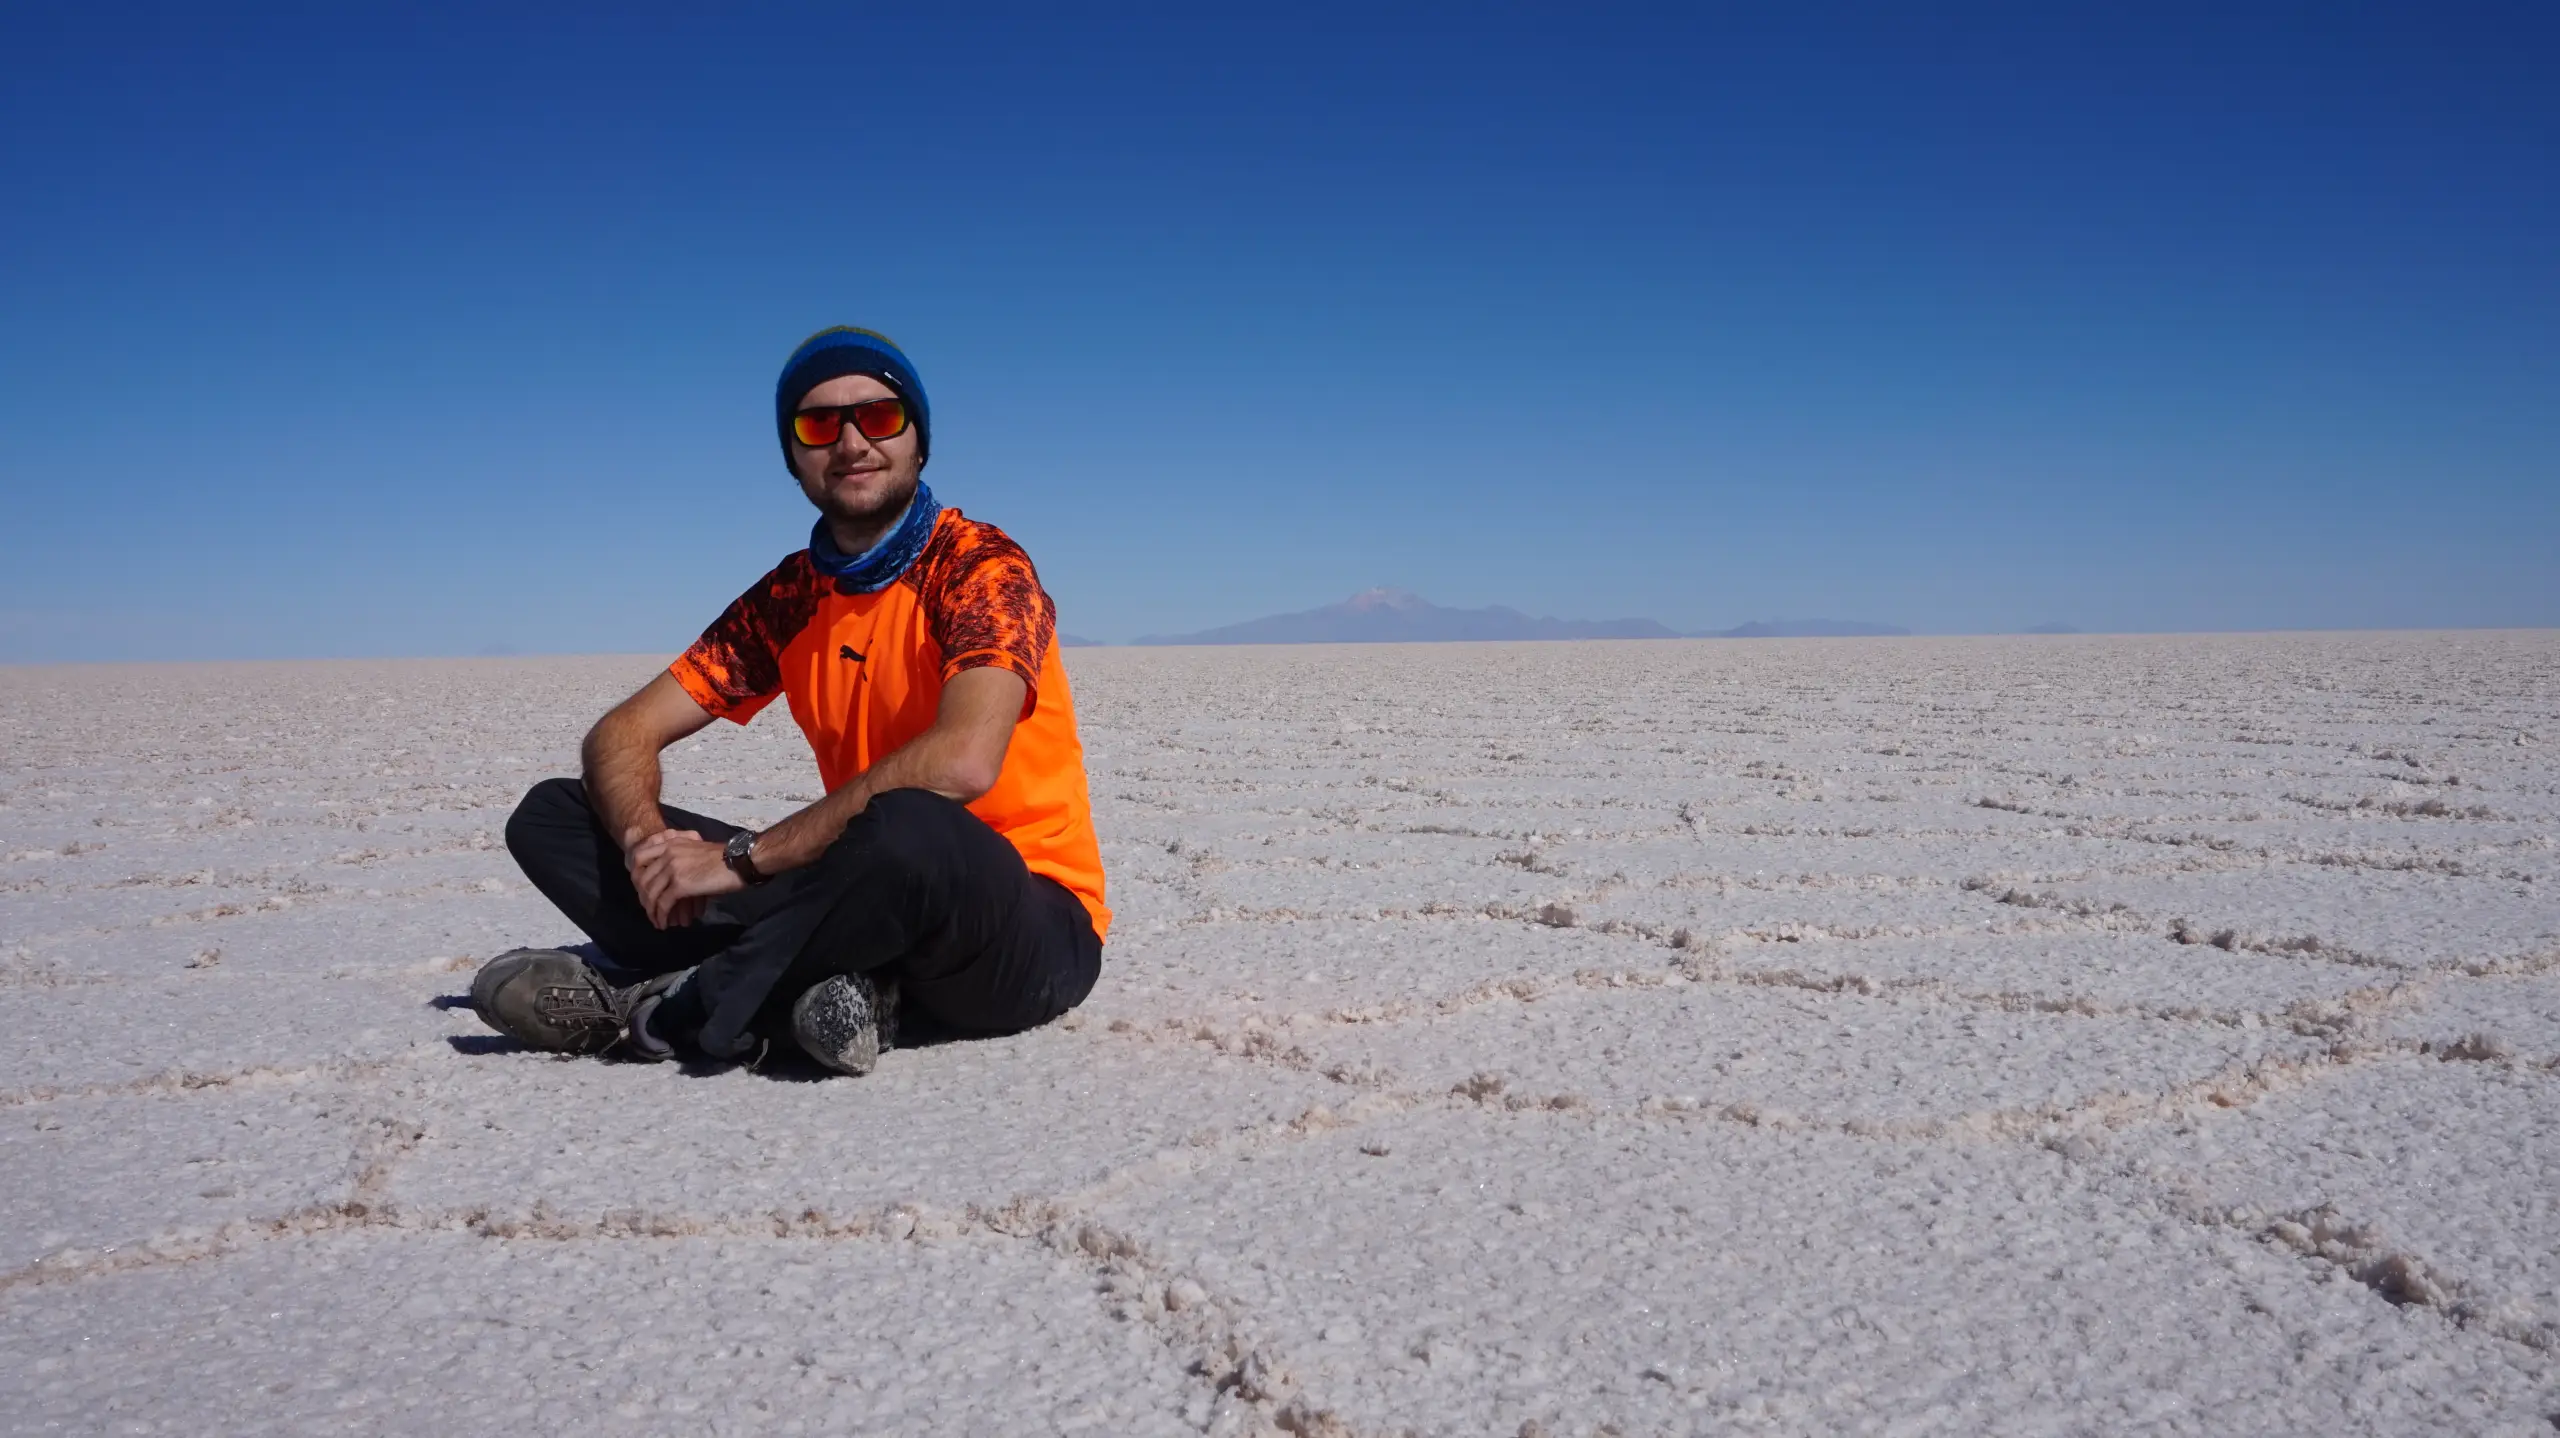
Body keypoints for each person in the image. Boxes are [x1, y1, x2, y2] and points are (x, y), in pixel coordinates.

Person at [471, 328, 1109, 1074]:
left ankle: (667, 1011)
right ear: (793, 458)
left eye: (878, 417)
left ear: (917, 440)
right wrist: (653, 852)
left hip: (1022, 924)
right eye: (817, 425)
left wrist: (742, 861)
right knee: (556, 814)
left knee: (912, 828)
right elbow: (622, 734)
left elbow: (962, 762)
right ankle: (840, 994)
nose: (850, 443)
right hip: (858, 886)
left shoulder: (979, 568)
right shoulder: (792, 597)